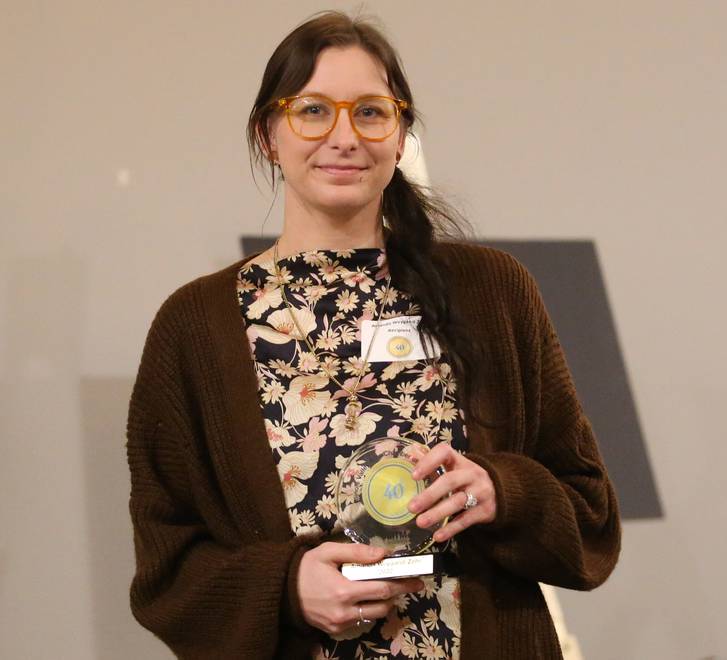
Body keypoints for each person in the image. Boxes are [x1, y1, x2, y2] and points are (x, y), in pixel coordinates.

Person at [126, 10, 621, 660]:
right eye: (312, 111)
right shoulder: (193, 327)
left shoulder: (492, 291)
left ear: (400, 132)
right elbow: (166, 566)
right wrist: (284, 586)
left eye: (370, 112)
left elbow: (590, 513)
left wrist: (503, 491)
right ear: (267, 134)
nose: (344, 136)